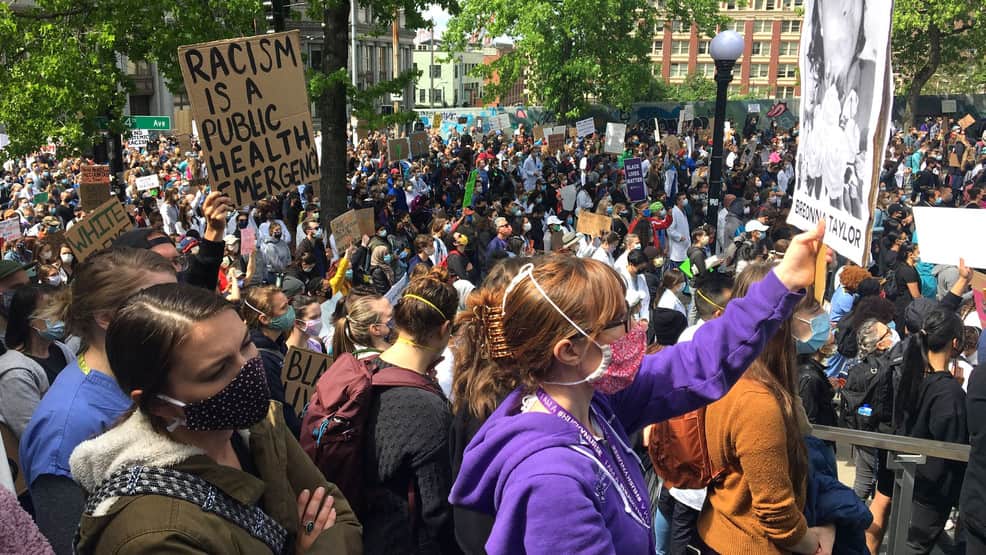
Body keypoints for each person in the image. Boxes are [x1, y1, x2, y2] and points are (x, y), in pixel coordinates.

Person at [449, 221, 825, 553]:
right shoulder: (552, 481)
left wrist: (783, 281)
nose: (637, 330)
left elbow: (699, 361)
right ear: (568, 351)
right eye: (619, 321)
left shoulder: (595, 405)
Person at [69, 283, 362, 554]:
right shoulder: (155, 538)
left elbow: (343, 519)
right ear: (159, 403)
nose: (248, 368)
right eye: (217, 370)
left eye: (246, 345)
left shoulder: (260, 423)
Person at [18, 248, 176, 554]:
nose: (179, 312)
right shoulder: (65, 428)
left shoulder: (149, 373)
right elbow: (68, 543)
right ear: (106, 317)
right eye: (160, 302)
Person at [698, 262, 834, 554]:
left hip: (726, 532)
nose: (821, 316)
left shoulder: (733, 373)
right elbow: (776, 513)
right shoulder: (757, 400)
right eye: (809, 306)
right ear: (784, 318)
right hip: (751, 543)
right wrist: (817, 542)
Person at [355, 268, 460, 554]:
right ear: (445, 330)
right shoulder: (428, 410)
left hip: (360, 530)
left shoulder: (362, 369)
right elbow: (438, 513)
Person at [896, 306, 969, 553]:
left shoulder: (912, 375)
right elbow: (954, 444)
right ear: (955, 343)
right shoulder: (949, 393)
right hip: (932, 491)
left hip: (909, 481)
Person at [240, 285, 301, 437]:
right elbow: (280, 410)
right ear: (265, 319)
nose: (291, 311)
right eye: (284, 308)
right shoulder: (261, 360)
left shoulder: (278, 344)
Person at [794, 298, 837, 428]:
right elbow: (810, 424)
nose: (832, 335)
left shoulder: (810, 371)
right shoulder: (809, 377)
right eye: (827, 330)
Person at [331, 294, 394, 359]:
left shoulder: (390, 350)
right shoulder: (384, 364)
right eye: (391, 315)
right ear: (376, 329)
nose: (399, 314)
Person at [618, 249, 651, 326]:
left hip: (641, 321)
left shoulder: (641, 277)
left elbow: (646, 299)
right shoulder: (621, 279)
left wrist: (644, 318)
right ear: (631, 264)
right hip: (629, 320)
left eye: (644, 268)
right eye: (640, 268)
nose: (642, 270)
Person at [894, 243, 921, 330]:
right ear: (910, 254)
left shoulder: (903, 267)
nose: (920, 254)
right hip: (906, 307)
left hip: (902, 305)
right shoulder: (908, 271)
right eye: (918, 252)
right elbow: (916, 295)